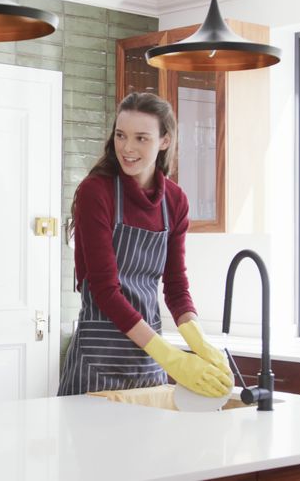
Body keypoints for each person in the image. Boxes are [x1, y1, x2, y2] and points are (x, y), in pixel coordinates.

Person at [58, 92, 233, 397]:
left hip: (148, 362)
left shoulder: (175, 200)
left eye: (141, 138)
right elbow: (105, 291)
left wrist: (199, 342)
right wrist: (170, 357)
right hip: (99, 360)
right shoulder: (96, 192)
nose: (127, 148)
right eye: (121, 135)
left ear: (164, 141)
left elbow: (176, 286)